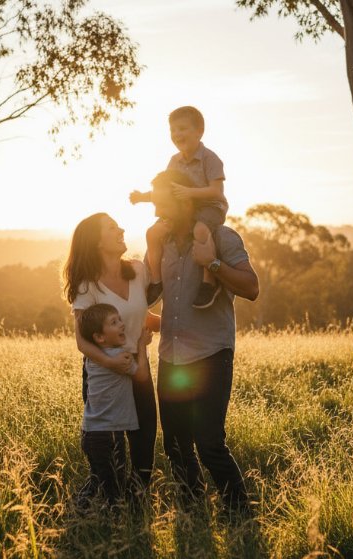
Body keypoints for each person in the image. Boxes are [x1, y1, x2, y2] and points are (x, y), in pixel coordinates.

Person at [144, 169, 259, 515]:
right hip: (171, 358)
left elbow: (251, 288)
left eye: (161, 201)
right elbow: (149, 295)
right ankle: (193, 514)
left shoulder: (221, 237)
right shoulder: (160, 241)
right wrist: (151, 248)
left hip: (211, 355)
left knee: (209, 443)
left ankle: (240, 515)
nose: (155, 210)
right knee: (177, 445)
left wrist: (212, 263)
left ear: (184, 198)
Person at [63, 213, 159, 497]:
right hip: (105, 374)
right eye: (112, 227)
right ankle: (101, 509)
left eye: (119, 225)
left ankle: (137, 508)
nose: (121, 230)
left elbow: (142, 316)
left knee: (144, 446)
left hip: (138, 367)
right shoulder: (87, 286)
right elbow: (82, 339)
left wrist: (182, 326)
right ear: (96, 242)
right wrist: (110, 361)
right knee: (110, 453)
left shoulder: (138, 271)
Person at [130, 106, 228, 309]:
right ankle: (156, 282)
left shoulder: (210, 159)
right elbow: (166, 191)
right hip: (181, 211)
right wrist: (143, 197)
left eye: (182, 128)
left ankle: (209, 282)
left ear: (199, 131)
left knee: (200, 230)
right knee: (153, 233)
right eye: (173, 130)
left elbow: (217, 192)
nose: (177, 134)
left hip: (210, 207)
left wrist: (190, 193)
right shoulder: (174, 161)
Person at [76, 303, 153, 506]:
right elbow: (142, 375)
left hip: (95, 432)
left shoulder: (95, 358)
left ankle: (84, 512)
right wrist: (142, 346)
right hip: (106, 434)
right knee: (112, 489)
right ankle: (96, 517)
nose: (122, 325)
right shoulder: (119, 358)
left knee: (100, 480)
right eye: (114, 322)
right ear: (100, 337)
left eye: (120, 319)